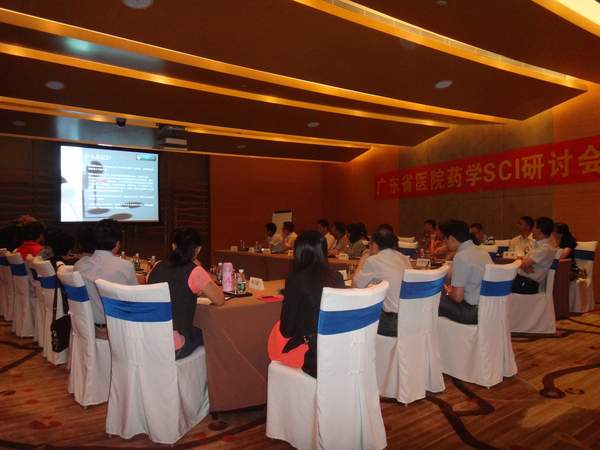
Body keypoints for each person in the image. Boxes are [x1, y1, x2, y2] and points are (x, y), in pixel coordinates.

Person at [269, 230, 344, 377]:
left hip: (309, 354)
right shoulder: (337, 277)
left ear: (299, 252)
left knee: (276, 330)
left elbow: (287, 330)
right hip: (336, 349)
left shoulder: (295, 280)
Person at [148, 228, 225, 359]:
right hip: (175, 346)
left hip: (150, 340)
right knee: (215, 334)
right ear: (198, 250)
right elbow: (219, 299)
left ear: (173, 246)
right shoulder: (194, 271)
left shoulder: (157, 266)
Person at [74, 219, 138, 328]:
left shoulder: (79, 265)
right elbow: (136, 298)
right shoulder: (125, 266)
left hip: (86, 326)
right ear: (117, 244)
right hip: (117, 328)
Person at [352, 227, 411, 337]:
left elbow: (355, 286)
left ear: (374, 245)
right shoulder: (404, 258)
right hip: (410, 319)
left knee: (353, 318)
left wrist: (364, 258)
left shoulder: (373, 260)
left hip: (392, 323)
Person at [438, 220, 492, 325]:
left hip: (471, 312)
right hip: (488, 309)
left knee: (431, 300)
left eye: (445, 239)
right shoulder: (482, 251)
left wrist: (448, 291)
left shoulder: (461, 257)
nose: (445, 243)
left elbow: (458, 297)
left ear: (452, 238)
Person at [511, 217, 557, 294]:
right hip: (523, 280)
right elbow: (524, 262)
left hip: (528, 284)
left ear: (540, 230)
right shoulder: (538, 245)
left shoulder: (545, 248)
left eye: (534, 227)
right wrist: (524, 266)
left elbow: (523, 263)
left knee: (499, 285)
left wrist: (523, 265)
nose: (532, 230)